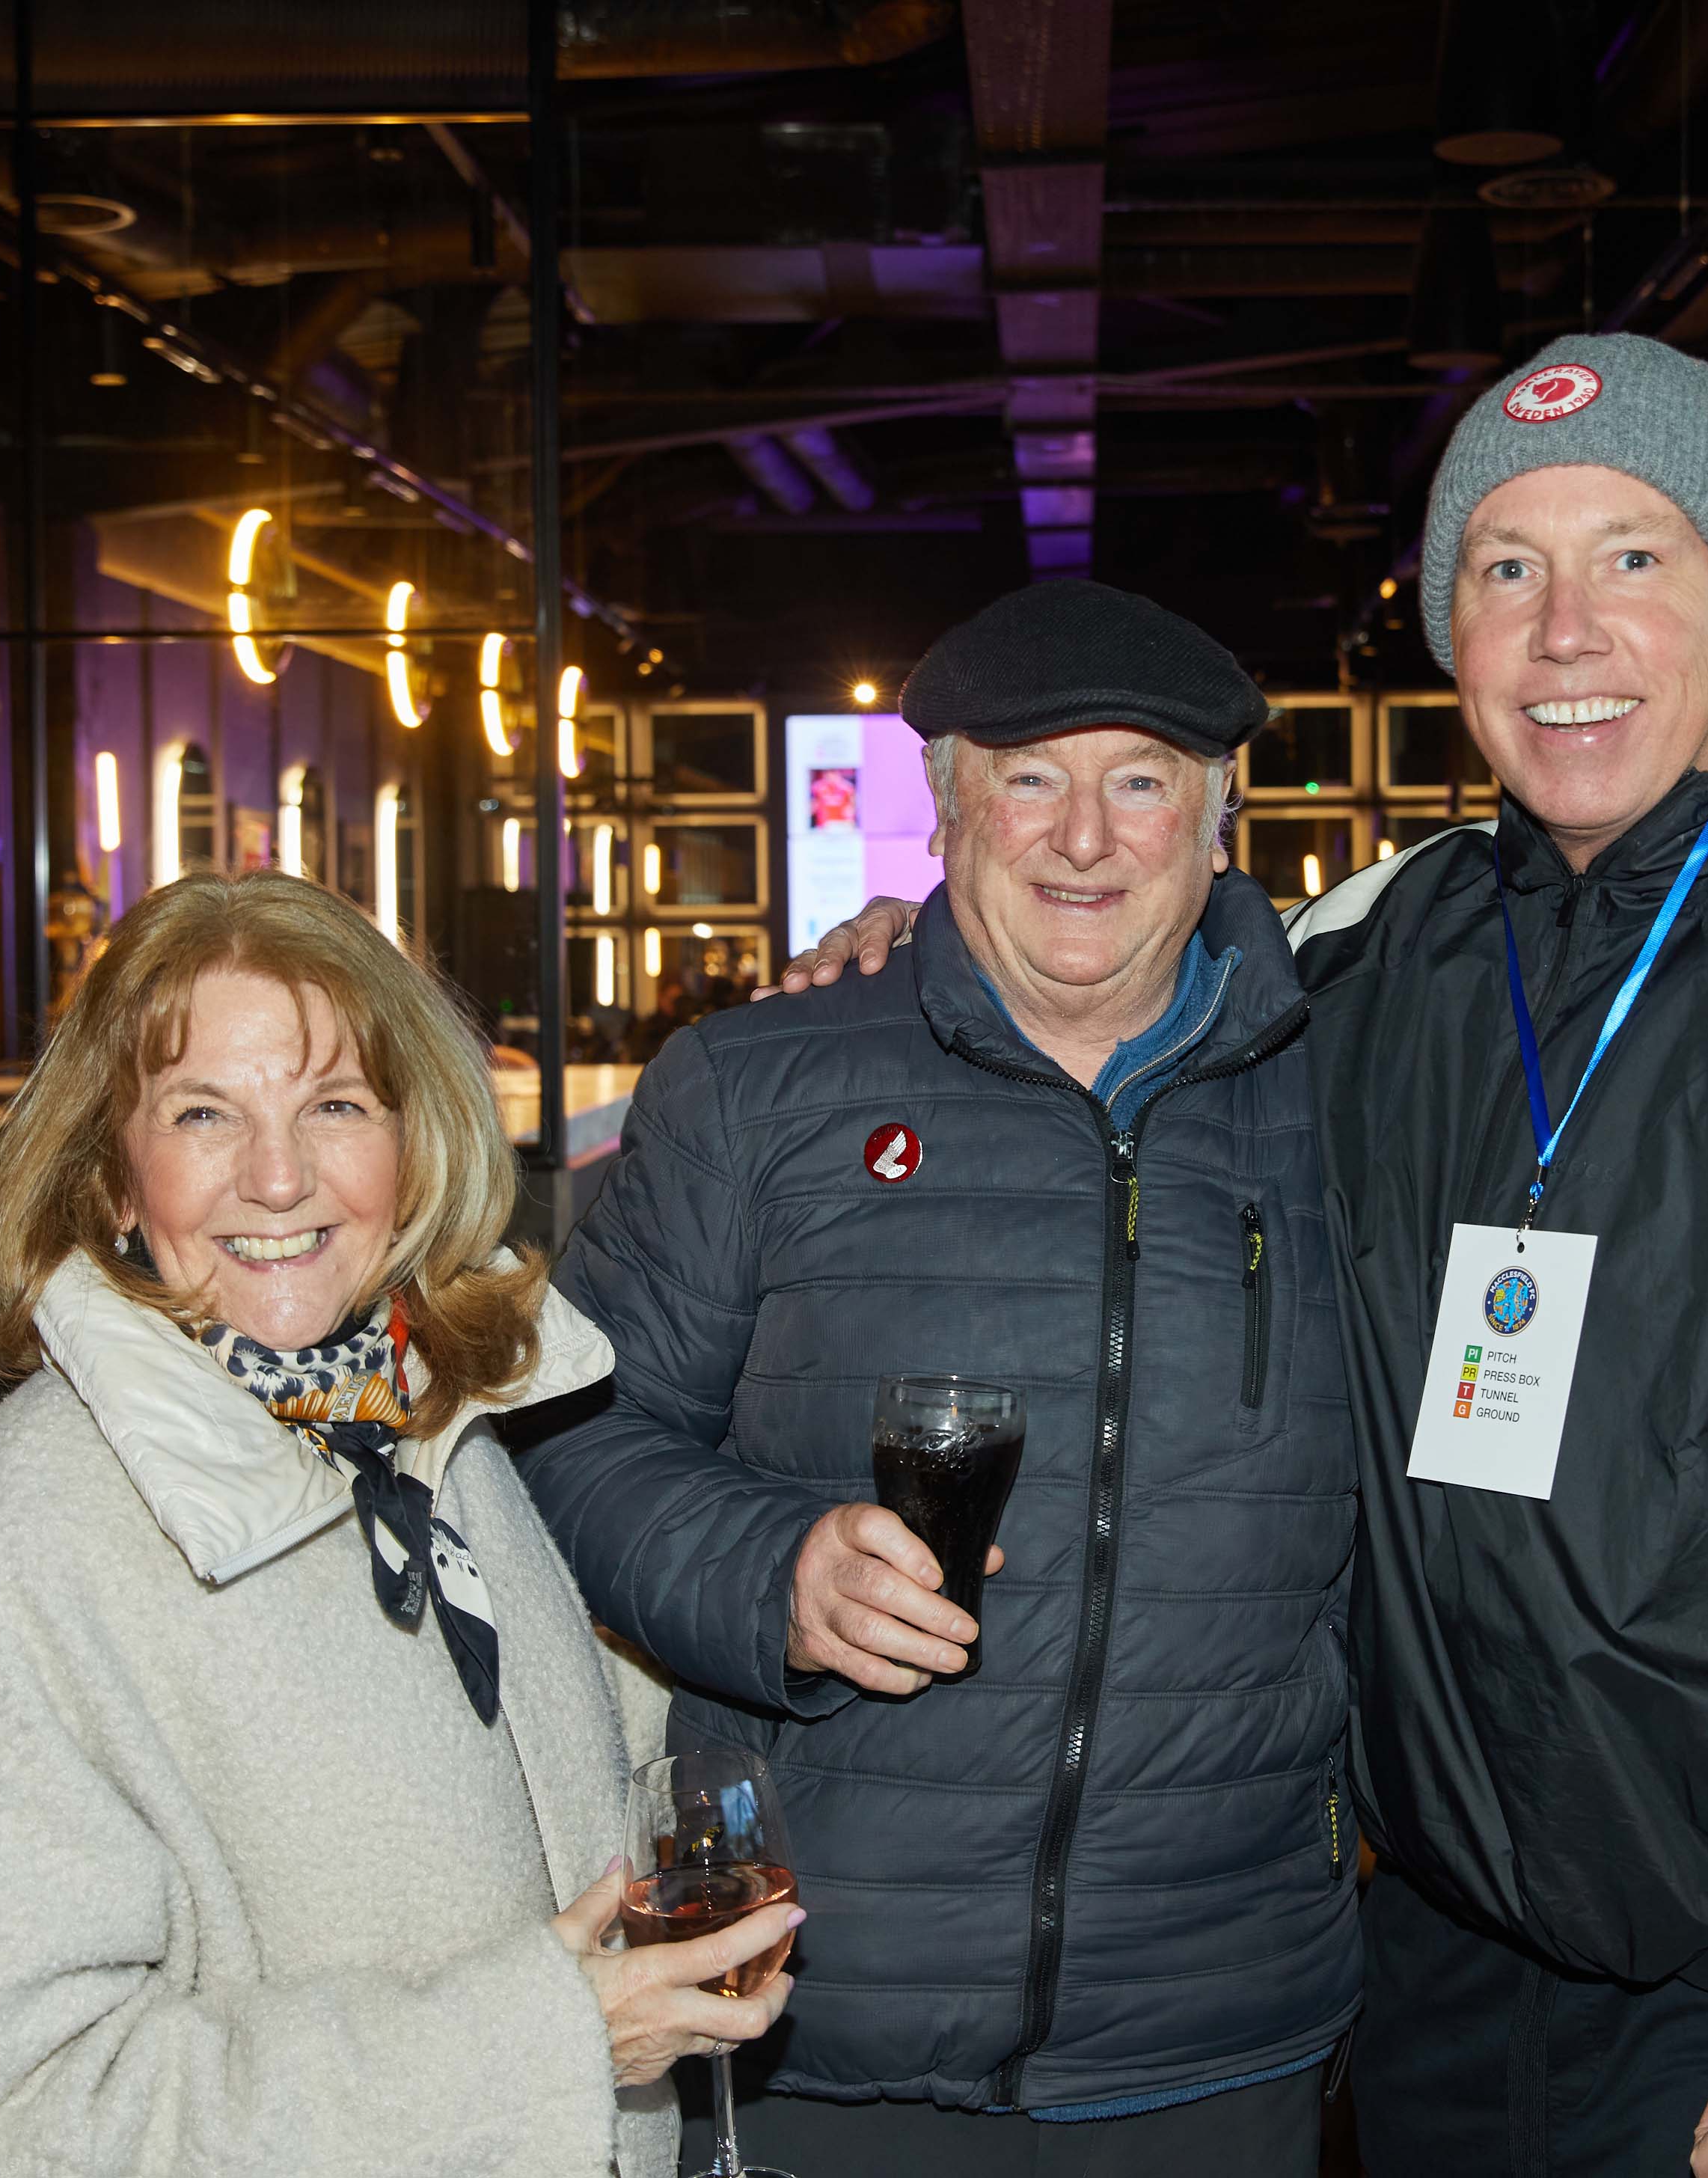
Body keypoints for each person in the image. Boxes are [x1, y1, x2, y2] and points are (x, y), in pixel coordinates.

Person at [771, 334, 1708, 2177]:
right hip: (1430, 1975)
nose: (1563, 631)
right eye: (1506, 568)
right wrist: (923, 956)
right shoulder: (1367, 957)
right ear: (1451, 635)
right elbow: (1100, 1000)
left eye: (1632, 556)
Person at [524, 582, 1361, 2176]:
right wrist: (771, 1576)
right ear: (946, 806)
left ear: (1220, 816)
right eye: (1029, 777)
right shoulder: (757, 1085)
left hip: (1217, 2024)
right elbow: (572, 1433)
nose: (1083, 838)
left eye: (1139, 780)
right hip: (822, 2022)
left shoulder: (1351, 1094)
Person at [0, 871, 796, 2178]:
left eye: (334, 1105)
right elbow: (10, 2125)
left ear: (414, 1149)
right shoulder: (28, 1551)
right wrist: (538, 2047)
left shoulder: (430, 1434)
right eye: (203, 1113)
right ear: (112, 1177)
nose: (279, 1176)